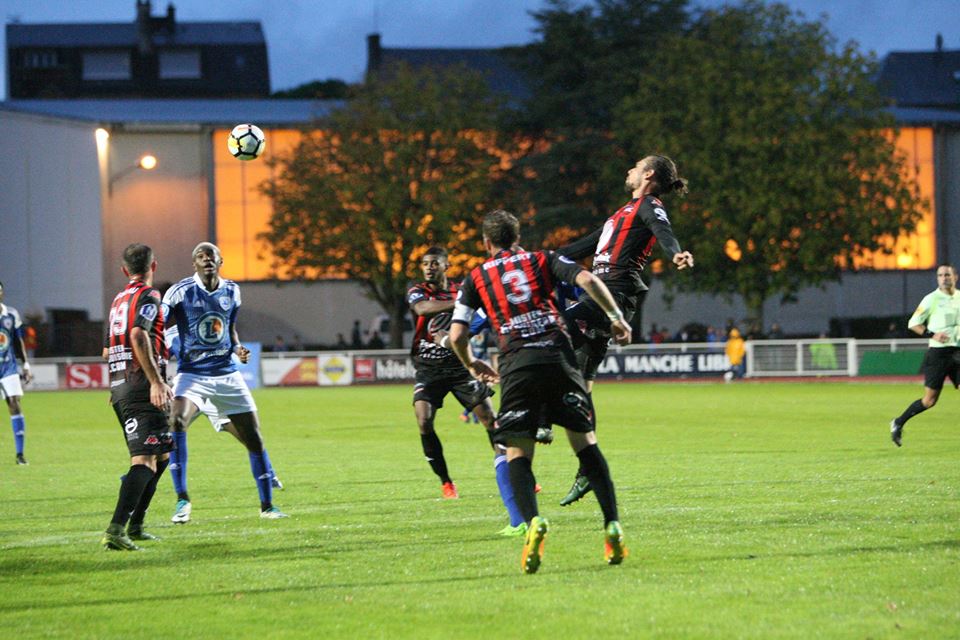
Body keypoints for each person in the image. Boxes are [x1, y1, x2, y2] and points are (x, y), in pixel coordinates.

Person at [449, 209, 631, 573]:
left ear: (486, 243)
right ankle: (612, 523)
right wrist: (616, 317)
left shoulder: (477, 276)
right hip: (559, 358)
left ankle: (533, 522)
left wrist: (472, 365)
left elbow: (456, 335)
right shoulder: (543, 259)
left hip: (517, 364)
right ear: (517, 237)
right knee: (585, 442)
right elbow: (589, 281)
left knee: (517, 450)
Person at [556, 154, 694, 506]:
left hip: (613, 294)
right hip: (603, 296)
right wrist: (541, 259)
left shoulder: (649, 205)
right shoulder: (619, 214)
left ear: (648, 175)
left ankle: (541, 418)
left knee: (553, 331)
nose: (628, 171)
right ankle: (587, 468)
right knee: (583, 384)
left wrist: (676, 253)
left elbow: (664, 231)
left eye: (635, 167)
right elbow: (578, 248)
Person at [162, 242, 287, 520]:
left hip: (227, 375)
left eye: (211, 256)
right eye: (200, 256)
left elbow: (229, 327)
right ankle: (182, 500)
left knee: (253, 437)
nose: (206, 260)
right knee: (175, 421)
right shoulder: (180, 292)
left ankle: (267, 506)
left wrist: (237, 347)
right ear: (193, 263)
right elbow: (157, 327)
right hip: (193, 375)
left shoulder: (232, 290)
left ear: (221, 261)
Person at [101, 244, 174, 550]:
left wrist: (115, 383)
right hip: (142, 386)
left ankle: (136, 525)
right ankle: (116, 530)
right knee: (144, 460)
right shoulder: (150, 295)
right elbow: (137, 335)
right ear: (153, 266)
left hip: (123, 385)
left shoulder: (118, 300)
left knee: (162, 455)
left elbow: (108, 349)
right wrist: (156, 382)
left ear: (123, 270)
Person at [890, 264, 960, 446]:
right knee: (929, 401)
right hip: (938, 354)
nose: (944, 278)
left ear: (955, 277)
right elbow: (913, 323)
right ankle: (898, 422)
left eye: (947, 274)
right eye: (940, 275)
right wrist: (933, 334)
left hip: (958, 352)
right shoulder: (931, 299)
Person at [0, 281, 32, 465]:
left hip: (8, 366)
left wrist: (25, 364)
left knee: (14, 403)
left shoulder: (11, 314)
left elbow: (18, 341)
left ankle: (20, 454)